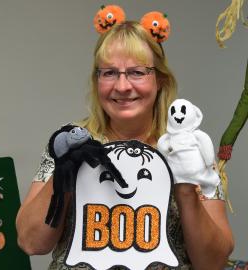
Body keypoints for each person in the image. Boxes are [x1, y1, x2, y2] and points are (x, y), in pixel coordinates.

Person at [15, 21, 234, 270]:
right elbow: (31, 243)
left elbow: (213, 263)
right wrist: (66, 171)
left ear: (159, 79)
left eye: (137, 72)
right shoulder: (70, 141)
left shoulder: (189, 148)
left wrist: (185, 190)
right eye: (109, 73)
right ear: (96, 80)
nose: (122, 86)